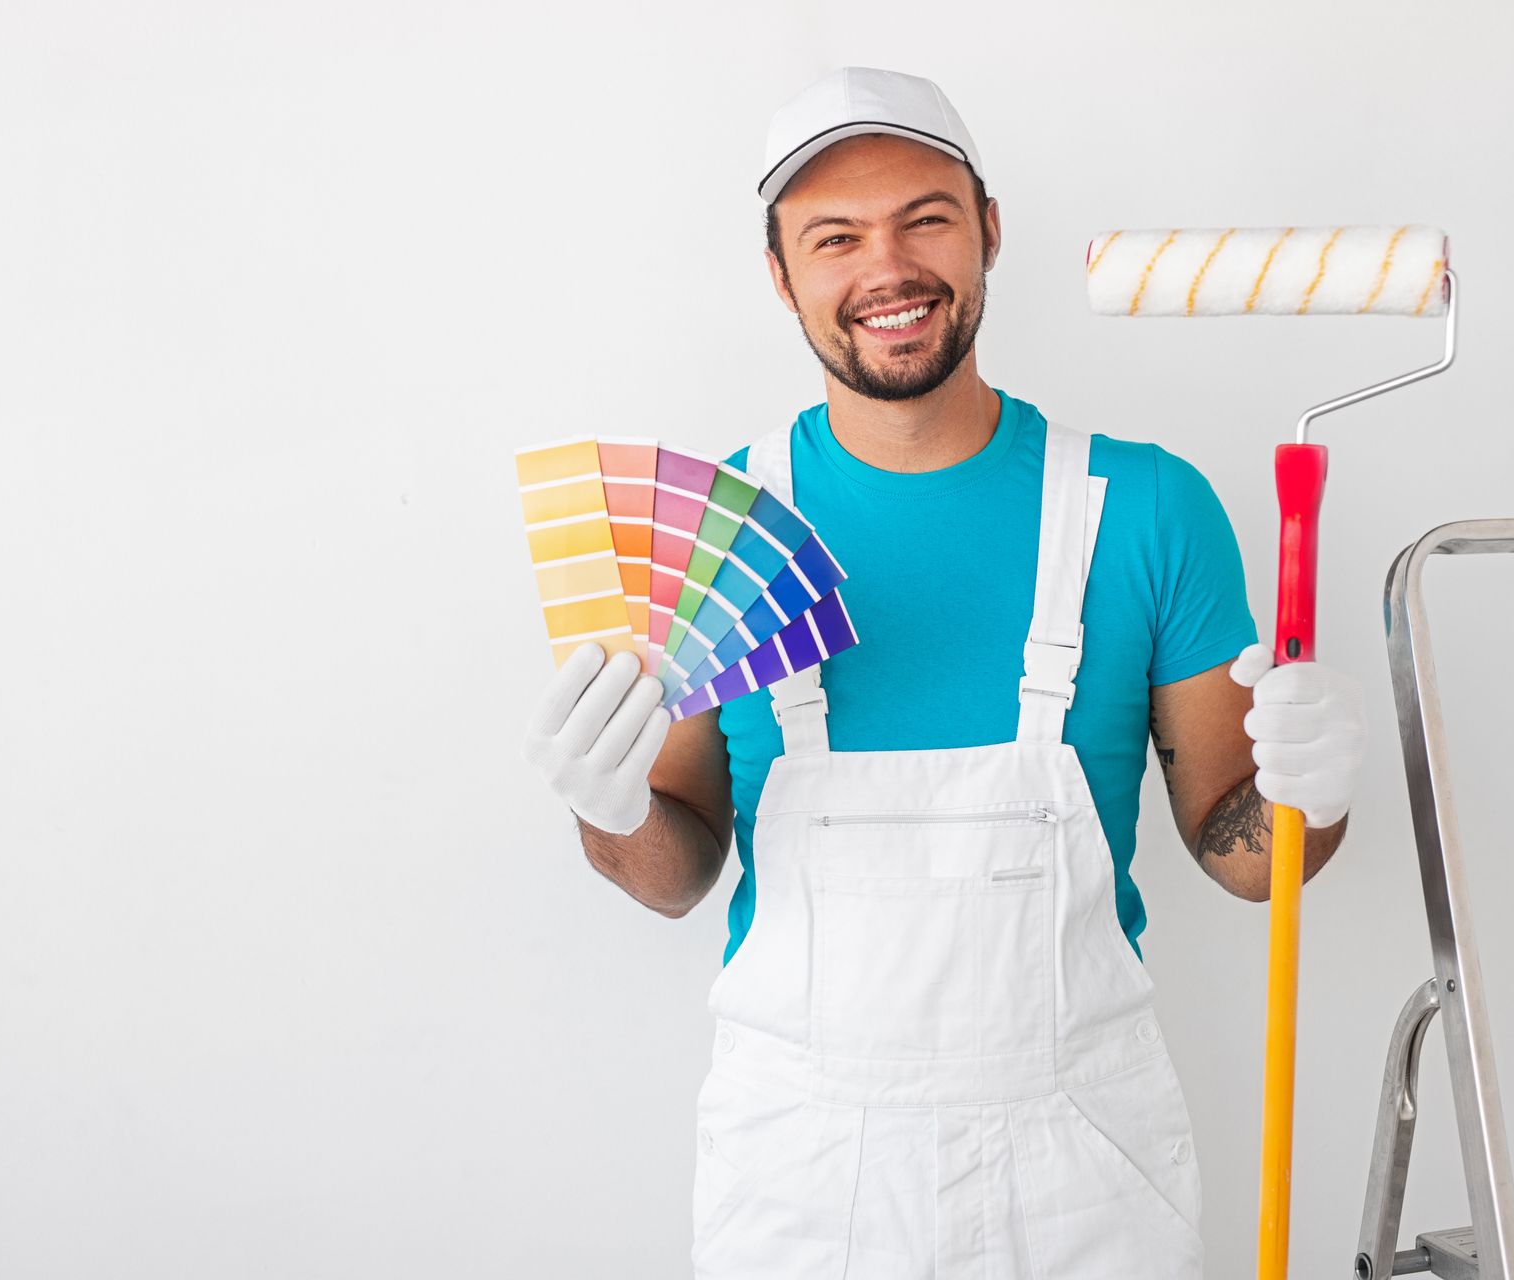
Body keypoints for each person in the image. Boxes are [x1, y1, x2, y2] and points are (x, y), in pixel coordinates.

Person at [522, 66, 1366, 1280]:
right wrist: (608, 815)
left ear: (989, 230)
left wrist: (1310, 793)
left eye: (925, 218)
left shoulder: (1147, 508)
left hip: (1087, 1175)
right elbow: (674, 875)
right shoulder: (713, 535)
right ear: (781, 274)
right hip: (800, 1178)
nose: (888, 267)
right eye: (835, 236)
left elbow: (1248, 861)